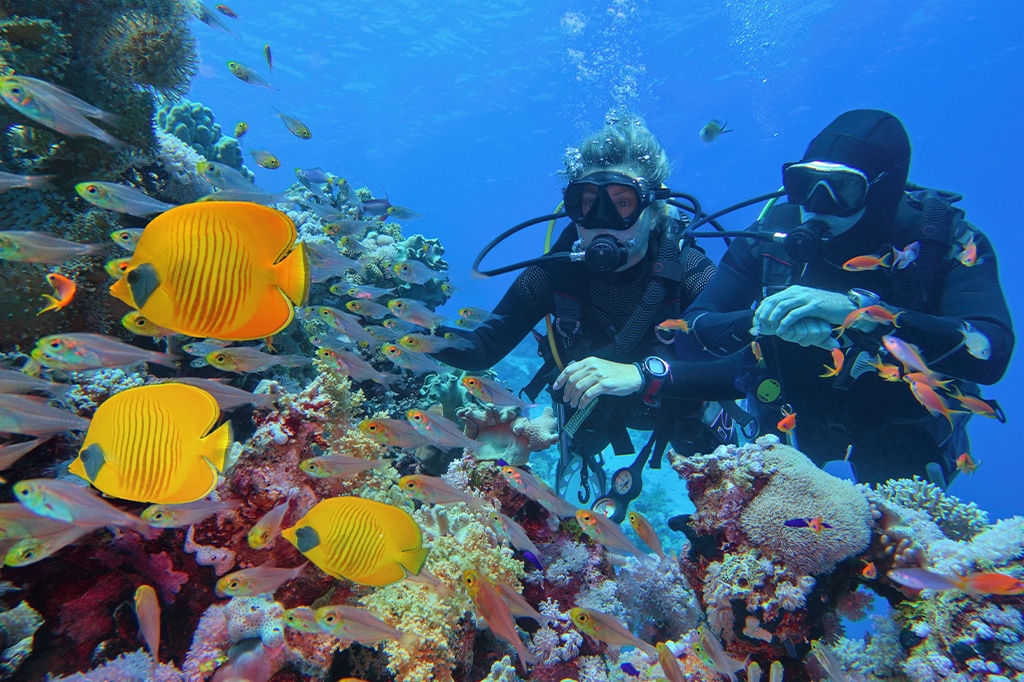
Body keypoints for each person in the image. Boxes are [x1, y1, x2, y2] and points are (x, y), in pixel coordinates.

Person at [680, 109, 1013, 488]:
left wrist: (866, 314)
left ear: (883, 188)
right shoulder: (772, 237)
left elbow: (992, 350)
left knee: (895, 538)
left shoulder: (942, 242)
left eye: (845, 188)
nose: (818, 204)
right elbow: (690, 335)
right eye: (805, 183)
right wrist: (762, 318)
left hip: (901, 433)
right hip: (788, 428)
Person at [434, 115, 742, 520]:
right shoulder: (554, 271)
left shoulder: (691, 270)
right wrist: (409, 328)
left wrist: (644, 375)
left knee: (712, 463)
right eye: (586, 204)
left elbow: (745, 363)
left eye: (622, 205)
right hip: (591, 405)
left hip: (674, 400)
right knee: (580, 440)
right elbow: (482, 347)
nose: (601, 224)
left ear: (652, 209)